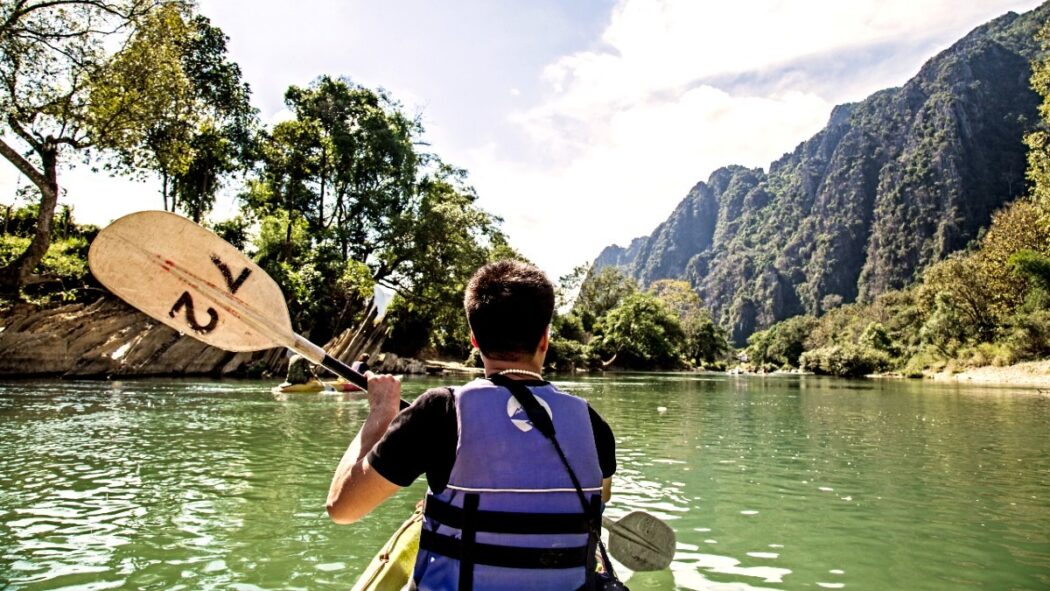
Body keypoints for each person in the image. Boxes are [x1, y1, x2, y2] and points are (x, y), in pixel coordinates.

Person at [326, 260, 616, 590]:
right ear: (545, 339)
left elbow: (342, 508)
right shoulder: (592, 424)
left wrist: (380, 412)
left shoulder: (441, 411)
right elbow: (598, 496)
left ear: (474, 341)